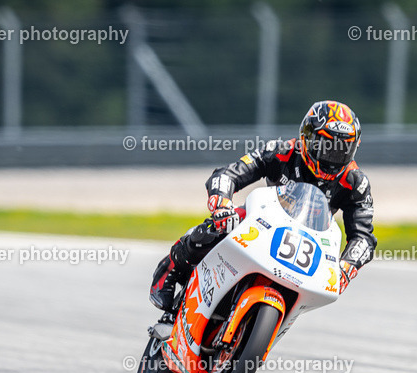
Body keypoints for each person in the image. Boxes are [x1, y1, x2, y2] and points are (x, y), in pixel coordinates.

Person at [150, 100, 375, 310]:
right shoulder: (281, 152)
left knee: (325, 285)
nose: (333, 157)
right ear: (308, 138)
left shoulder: (355, 182)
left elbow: (363, 237)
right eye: (327, 147)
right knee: (221, 224)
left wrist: (347, 266)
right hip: (263, 221)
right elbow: (228, 174)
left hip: (308, 245)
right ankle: (170, 268)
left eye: (342, 150)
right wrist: (222, 202)